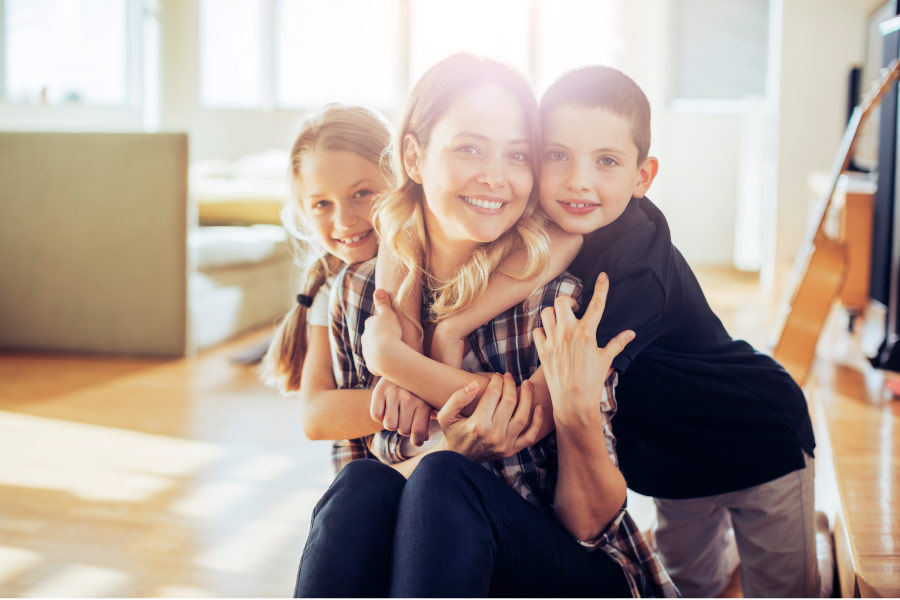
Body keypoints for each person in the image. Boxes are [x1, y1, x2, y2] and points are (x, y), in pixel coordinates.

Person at [372, 64, 819, 598]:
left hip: (756, 436)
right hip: (669, 462)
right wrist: (449, 329)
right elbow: (407, 232)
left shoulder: (632, 278)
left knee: (786, 591)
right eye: (556, 155)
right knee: (698, 585)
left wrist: (394, 360)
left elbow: (534, 412)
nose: (578, 180)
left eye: (606, 161)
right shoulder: (542, 210)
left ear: (642, 177)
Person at [295, 53, 675, 598]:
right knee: (361, 487)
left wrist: (413, 379)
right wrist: (444, 445)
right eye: (469, 147)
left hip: (575, 569)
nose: (495, 177)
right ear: (413, 154)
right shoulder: (360, 296)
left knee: (444, 482)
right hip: (434, 566)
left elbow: (588, 526)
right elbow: (369, 508)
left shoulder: (555, 303)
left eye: (517, 155)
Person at [257, 104, 399, 463]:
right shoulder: (327, 292)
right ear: (303, 213)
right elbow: (315, 415)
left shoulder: (438, 266)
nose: (344, 220)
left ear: (400, 182)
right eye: (322, 203)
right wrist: (412, 402)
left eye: (362, 193)